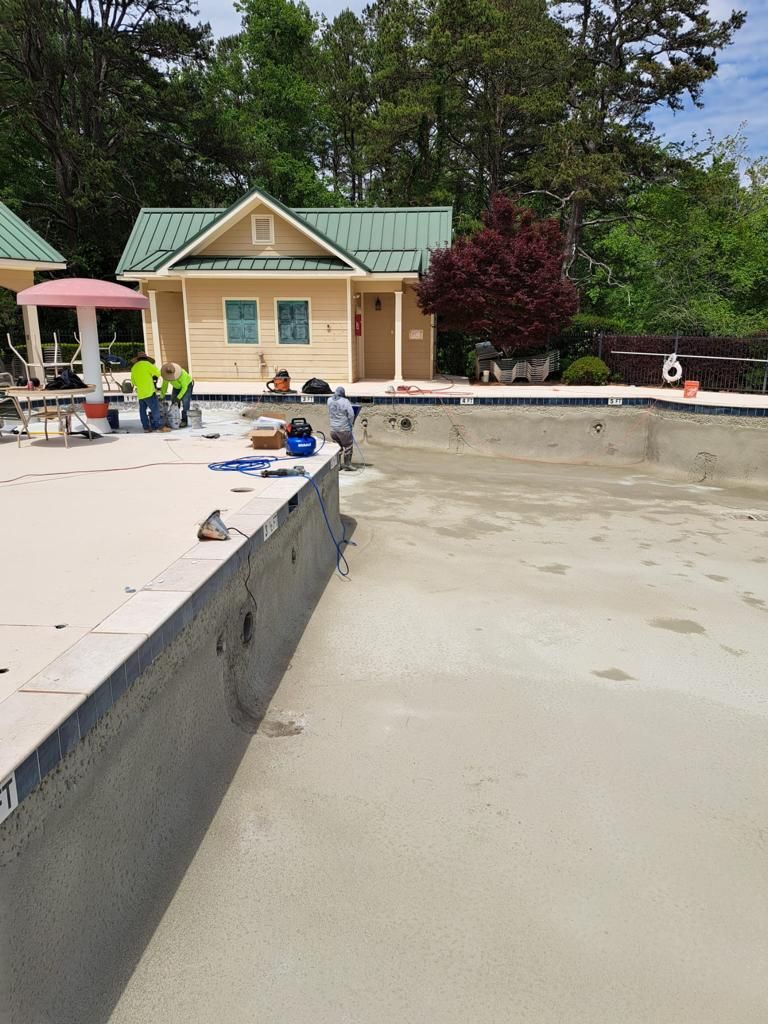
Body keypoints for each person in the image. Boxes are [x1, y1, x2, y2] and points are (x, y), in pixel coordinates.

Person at [130, 353, 169, 433]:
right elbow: (158, 373)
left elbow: (134, 382)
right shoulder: (148, 364)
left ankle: (146, 428)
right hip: (149, 392)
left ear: (138, 359)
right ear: (146, 358)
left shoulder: (134, 367)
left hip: (140, 393)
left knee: (142, 411)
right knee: (155, 410)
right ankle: (159, 427)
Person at [328, 385, 356, 471]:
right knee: (348, 446)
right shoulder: (345, 401)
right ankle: (347, 465)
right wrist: (351, 424)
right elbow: (351, 414)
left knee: (337, 448)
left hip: (333, 429)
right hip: (343, 429)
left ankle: (338, 465)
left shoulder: (329, 400)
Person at [160, 362, 195, 427]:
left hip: (187, 385)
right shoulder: (166, 375)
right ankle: (175, 418)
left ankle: (185, 420)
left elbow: (184, 387)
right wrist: (161, 396)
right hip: (176, 386)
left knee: (185, 402)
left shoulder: (182, 374)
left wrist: (179, 397)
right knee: (174, 401)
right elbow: (164, 386)